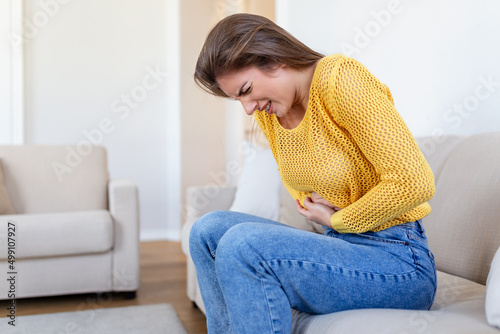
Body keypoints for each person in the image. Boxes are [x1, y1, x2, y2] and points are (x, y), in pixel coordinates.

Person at [190, 13, 437, 334]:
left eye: (247, 90)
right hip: (339, 246)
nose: (248, 108)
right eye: (238, 98)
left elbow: (414, 182)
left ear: (274, 59)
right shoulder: (271, 114)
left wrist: (340, 219)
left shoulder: (339, 79)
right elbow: (302, 191)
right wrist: (324, 213)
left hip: (398, 259)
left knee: (242, 243)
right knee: (207, 231)